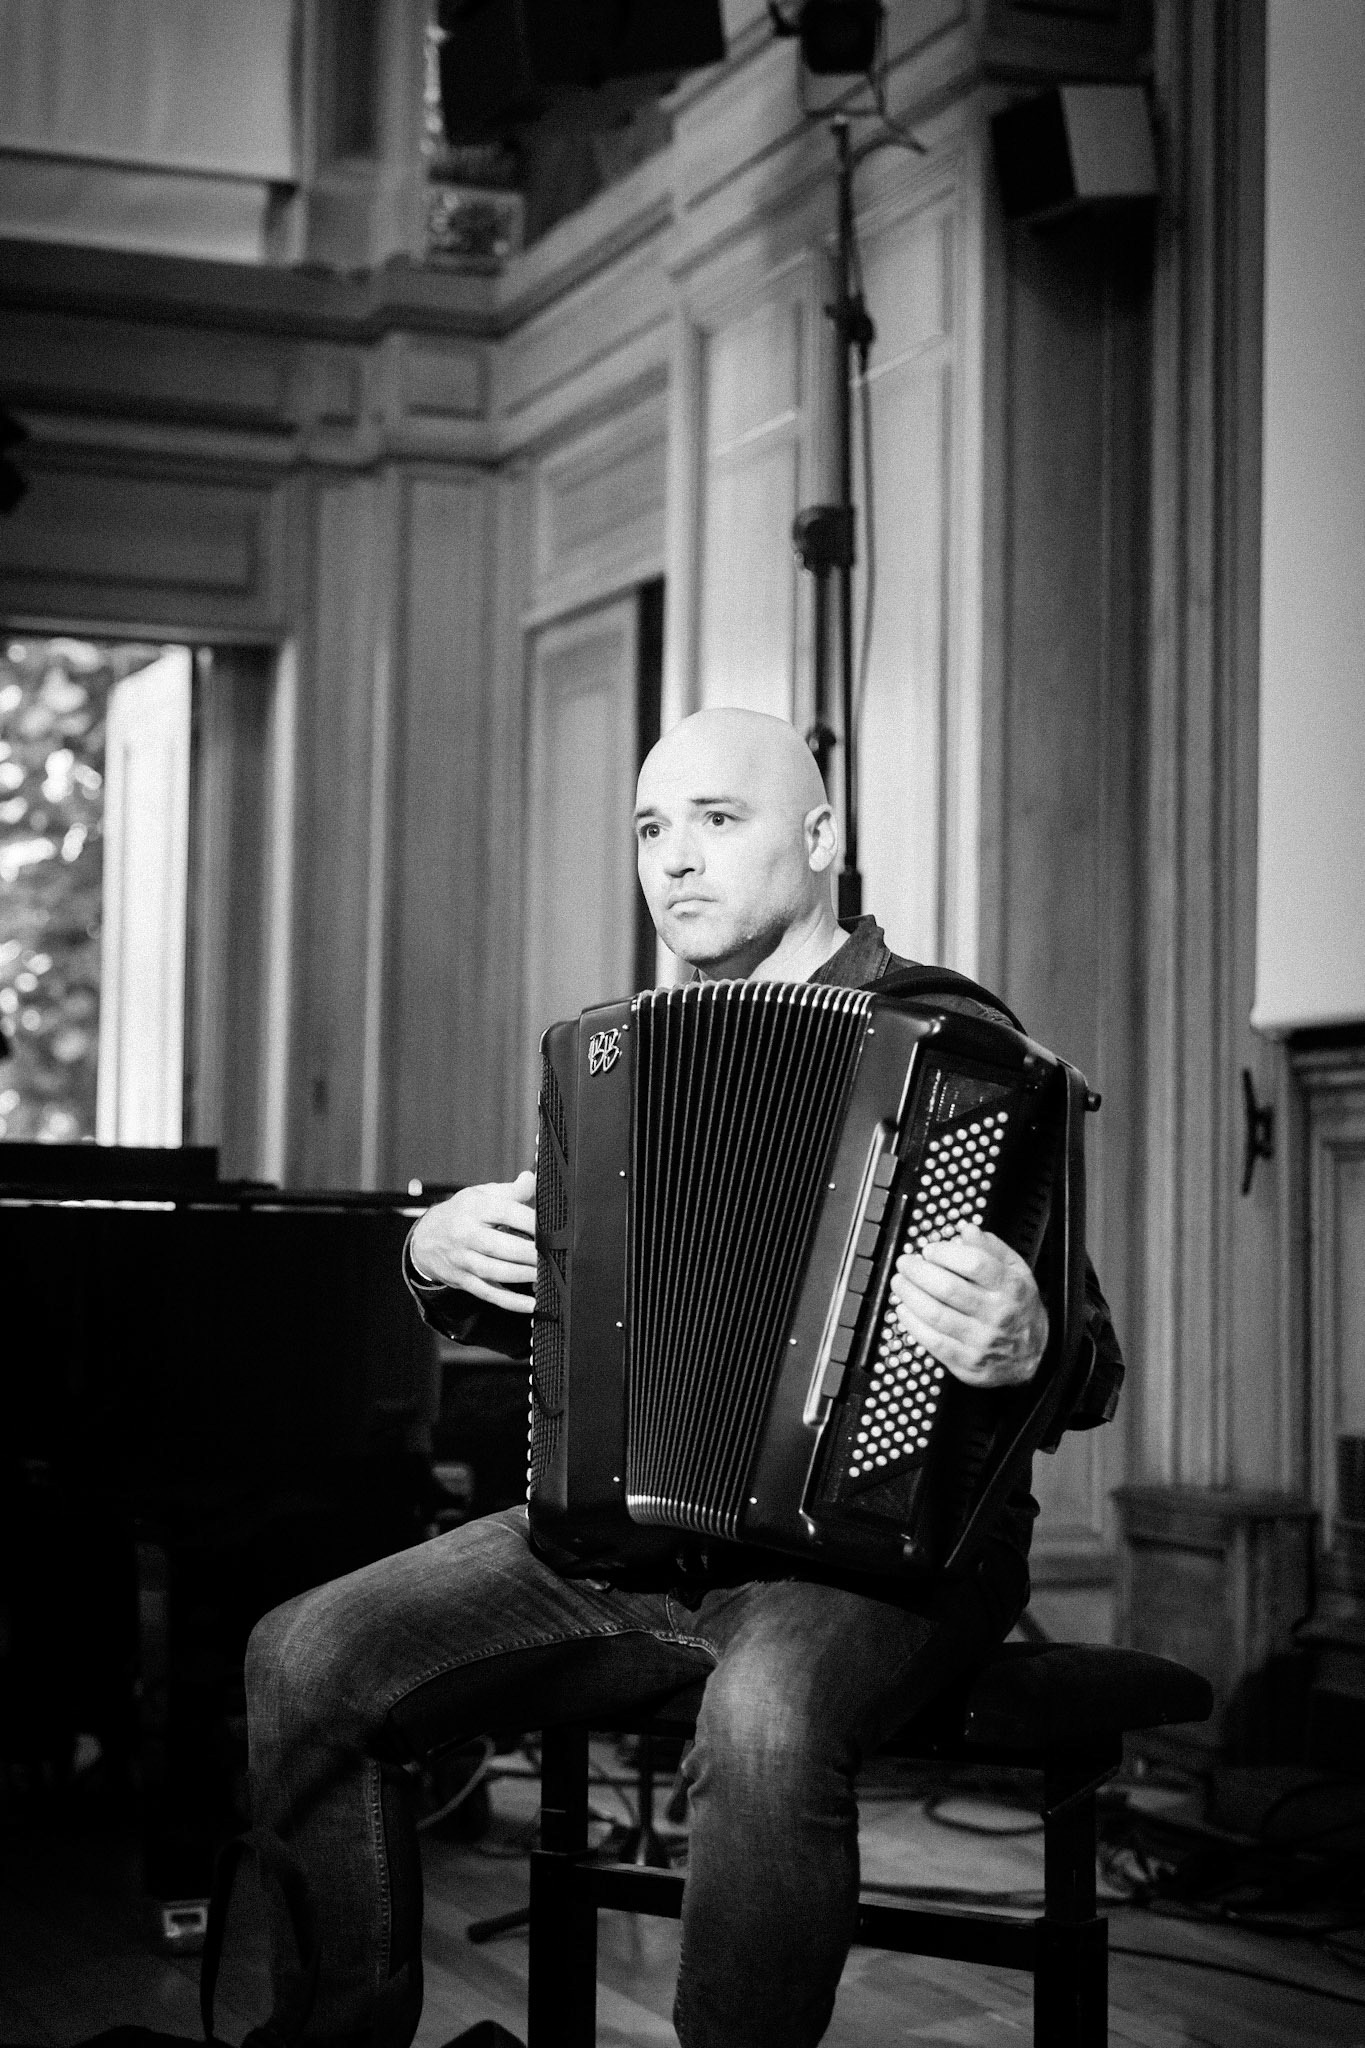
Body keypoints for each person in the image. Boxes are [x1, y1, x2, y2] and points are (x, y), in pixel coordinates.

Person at [246, 708, 1121, 2048]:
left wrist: (1024, 1340)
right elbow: (583, 1330)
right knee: (303, 1651)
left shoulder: (956, 1048)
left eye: (719, 820)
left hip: (878, 1554)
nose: (676, 860)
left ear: (819, 838)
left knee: (763, 1718)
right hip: (627, 1538)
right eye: (653, 829)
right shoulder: (626, 1056)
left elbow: (1087, 1361)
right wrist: (432, 1252)